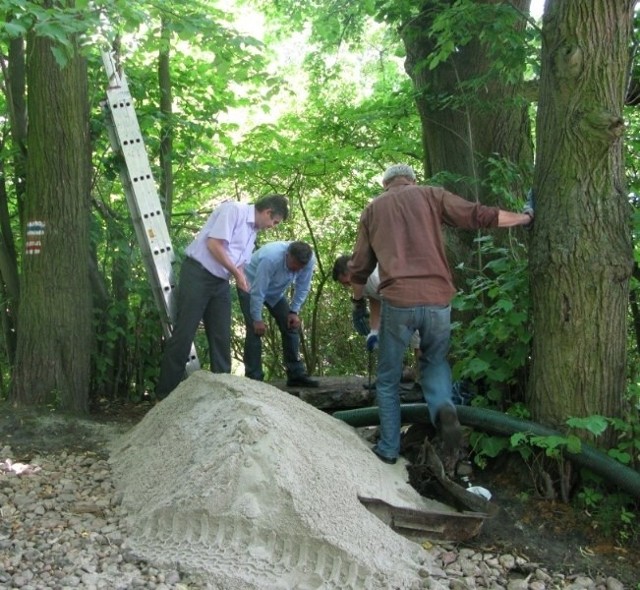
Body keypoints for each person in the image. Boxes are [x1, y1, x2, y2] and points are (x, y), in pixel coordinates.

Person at [349, 164, 533, 465]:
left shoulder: (373, 210)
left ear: (385, 185)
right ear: (412, 180)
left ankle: (388, 448)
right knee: (435, 362)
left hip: (399, 300)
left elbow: (359, 267)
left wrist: (357, 303)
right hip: (439, 300)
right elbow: (478, 214)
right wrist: (525, 218)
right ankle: (443, 406)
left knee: (387, 379)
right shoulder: (432, 195)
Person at [156, 194, 289, 399]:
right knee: (185, 333)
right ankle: (164, 395)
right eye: (274, 221)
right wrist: (236, 274)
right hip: (198, 274)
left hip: (220, 282)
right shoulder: (234, 210)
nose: (272, 226)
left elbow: (240, 263)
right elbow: (214, 245)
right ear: (268, 212)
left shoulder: (253, 232)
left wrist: (245, 281)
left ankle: (222, 398)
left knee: (221, 337)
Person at [238, 240, 319, 387]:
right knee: (254, 330)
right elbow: (258, 290)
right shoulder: (270, 258)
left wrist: (294, 311)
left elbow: (303, 286)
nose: (296, 270)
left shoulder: (308, 261)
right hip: (250, 285)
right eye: (294, 266)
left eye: (300, 268)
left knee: (291, 325)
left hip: (275, 293)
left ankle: (296, 374)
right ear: (287, 255)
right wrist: (257, 319)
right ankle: (254, 379)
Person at [332, 256, 420, 383]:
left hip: (417, 300)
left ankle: (424, 385)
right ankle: (393, 379)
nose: (347, 287)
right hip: (400, 304)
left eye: (347, 282)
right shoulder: (363, 284)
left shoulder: (375, 276)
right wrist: (374, 332)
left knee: (419, 345)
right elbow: (375, 302)